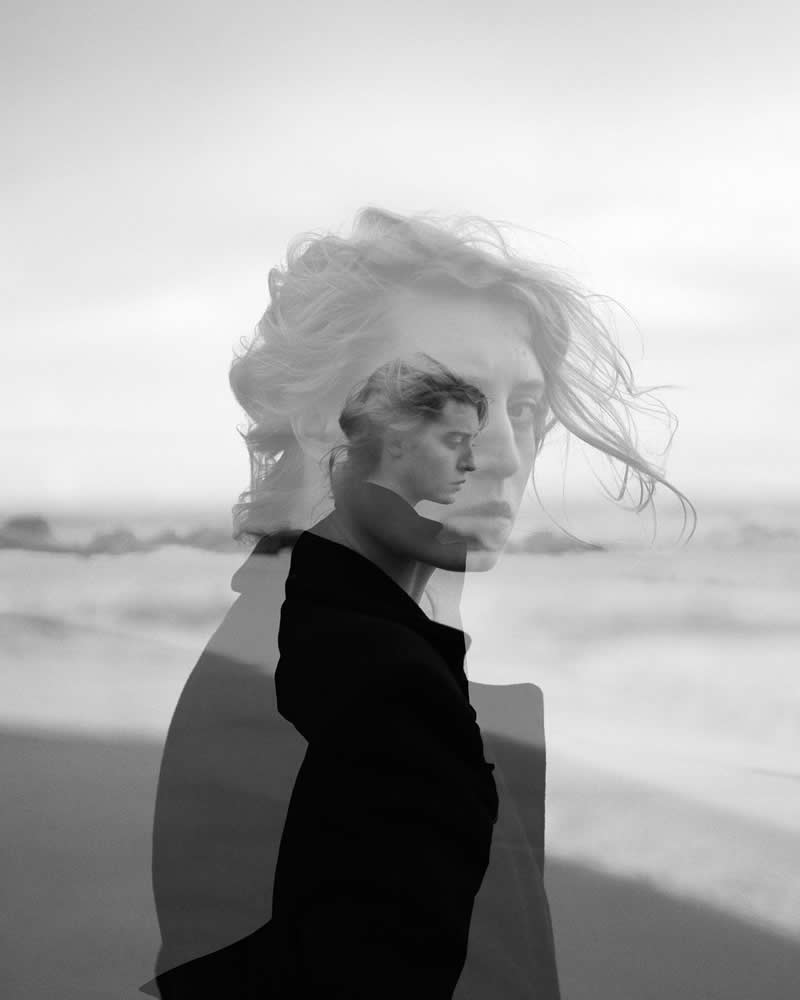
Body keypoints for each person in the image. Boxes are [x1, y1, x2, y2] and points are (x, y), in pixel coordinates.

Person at [141, 206, 695, 998]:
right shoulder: (342, 693)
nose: (504, 453)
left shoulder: (323, 646)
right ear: (316, 417)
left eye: (525, 409)